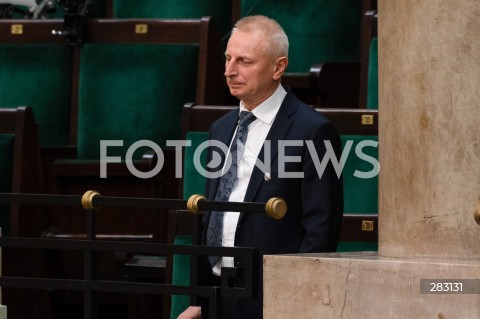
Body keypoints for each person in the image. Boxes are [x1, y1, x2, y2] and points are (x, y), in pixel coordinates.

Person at [178, 15, 343, 319]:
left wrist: (296, 299)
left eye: (244, 61)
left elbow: (321, 230)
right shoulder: (220, 128)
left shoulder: (313, 131)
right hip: (218, 293)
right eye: (228, 58)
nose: (230, 71)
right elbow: (211, 217)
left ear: (278, 67)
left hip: (273, 296)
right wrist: (199, 298)